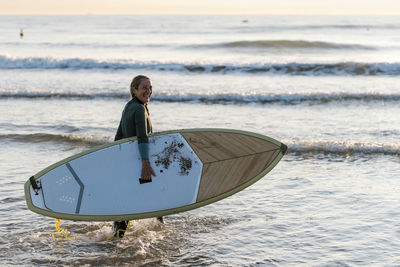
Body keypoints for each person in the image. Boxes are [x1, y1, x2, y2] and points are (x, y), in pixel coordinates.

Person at [113, 75, 160, 239]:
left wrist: (116, 160)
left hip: (128, 162)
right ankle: (158, 229)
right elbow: (142, 137)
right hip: (138, 161)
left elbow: (118, 137)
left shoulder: (129, 106)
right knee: (156, 194)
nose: (148, 91)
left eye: (150, 88)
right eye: (144, 88)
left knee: (129, 197)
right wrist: (145, 162)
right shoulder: (139, 109)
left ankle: (117, 235)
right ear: (134, 90)